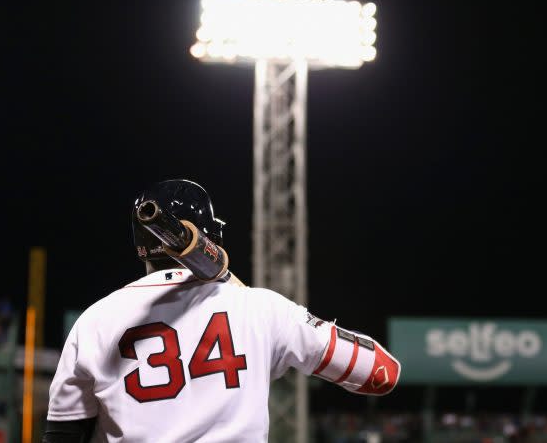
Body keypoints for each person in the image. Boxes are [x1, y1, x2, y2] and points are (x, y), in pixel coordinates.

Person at [43, 179, 401, 443]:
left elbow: (62, 435)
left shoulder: (94, 321)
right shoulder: (262, 308)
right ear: (212, 235)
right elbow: (382, 373)